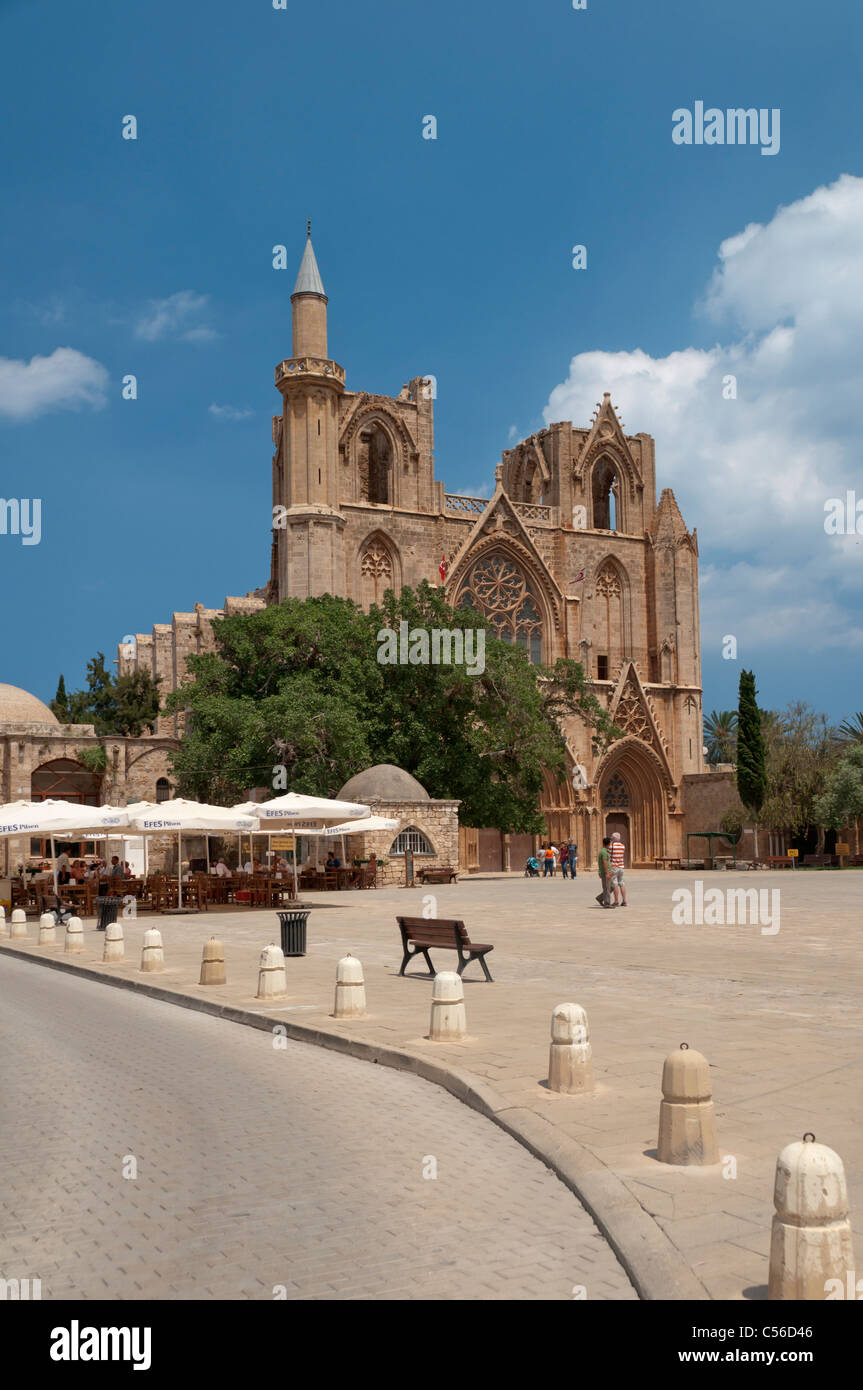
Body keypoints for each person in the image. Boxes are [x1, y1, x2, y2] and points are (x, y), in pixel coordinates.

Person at [609, 831, 627, 907]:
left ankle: (616, 901)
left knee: (615, 884)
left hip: (614, 867)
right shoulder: (623, 846)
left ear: (613, 838)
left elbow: (609, 855)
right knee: (622, 884)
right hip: (621, 867)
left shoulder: (611, 846)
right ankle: (624, 901)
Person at [596, 837, 612, 907]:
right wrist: (607, 873)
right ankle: (607, 903)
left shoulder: (604, 851)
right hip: (605, 872)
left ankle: (600, 898)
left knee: (612, 886)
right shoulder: (604, 852)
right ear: (608, 843)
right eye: (610, 843)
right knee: (607, 888)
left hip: (606, 871)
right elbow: (605, 862)